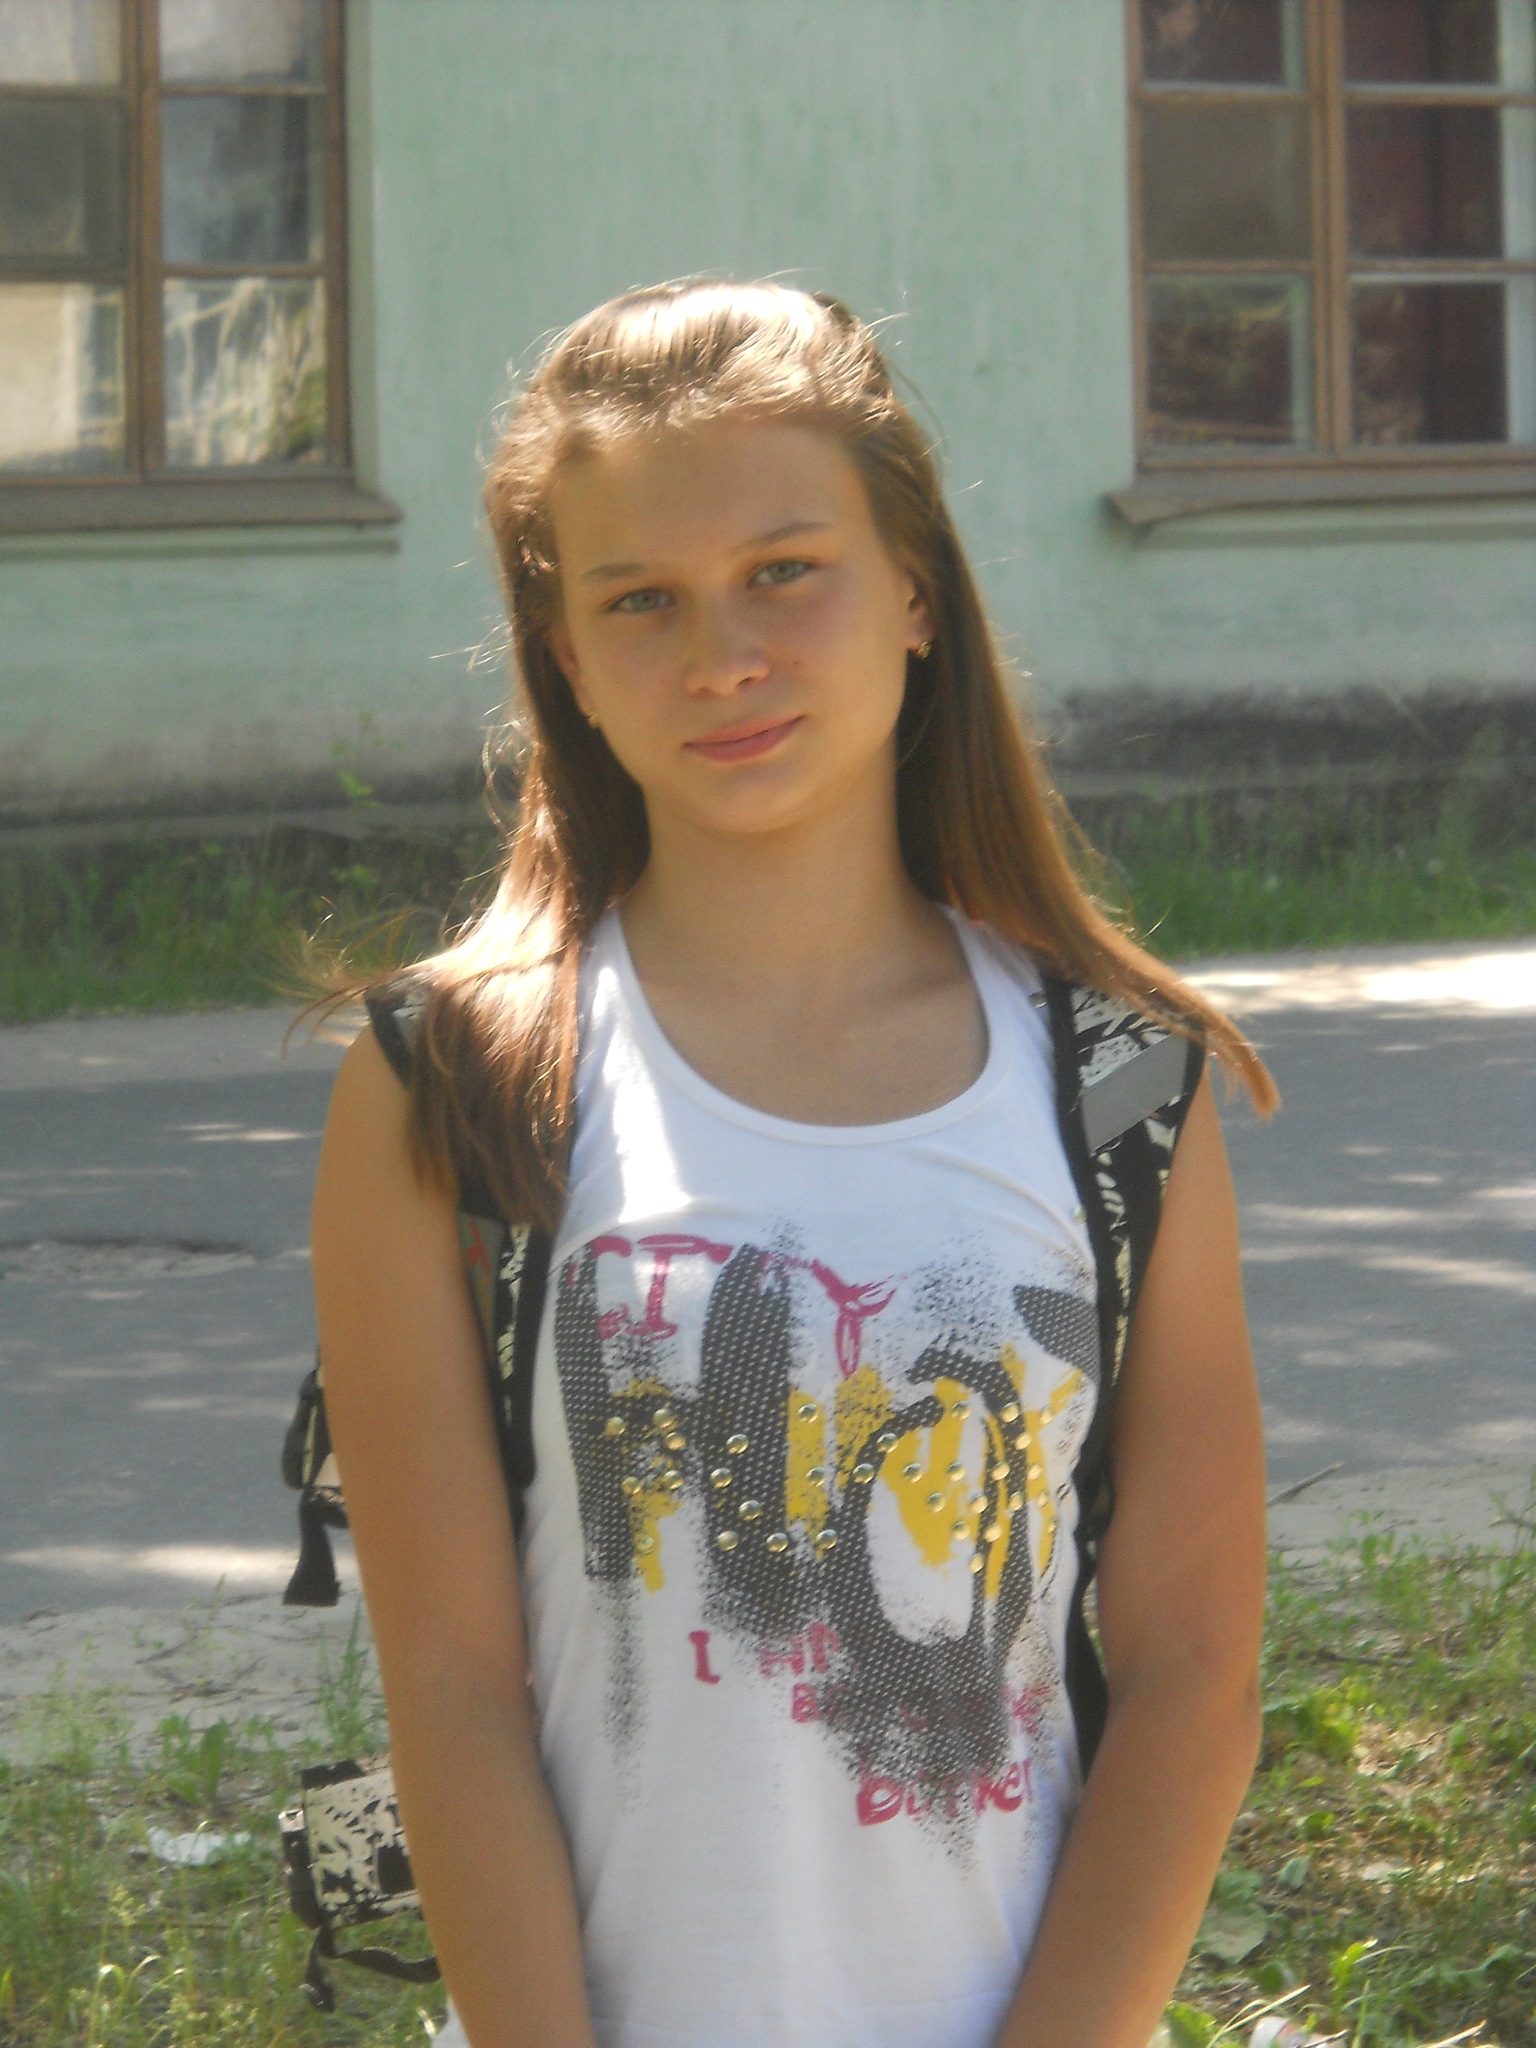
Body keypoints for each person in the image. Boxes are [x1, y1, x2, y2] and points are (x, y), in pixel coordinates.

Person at [310, 280, 1273, 2048]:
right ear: (565, 656)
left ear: (915, 590)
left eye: (784, 571)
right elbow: (451, 1688)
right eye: (640, 600)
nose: (720, 657)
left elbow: (1196, 1674)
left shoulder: (1120, 1080)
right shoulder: (451, 1081)